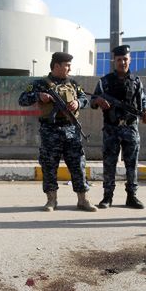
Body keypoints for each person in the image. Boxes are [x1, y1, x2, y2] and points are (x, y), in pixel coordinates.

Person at [18, 52, 97, 212]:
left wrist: (77, 102)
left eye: (69, 65)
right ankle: (51, 200)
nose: (69, 68)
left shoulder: (73, 83)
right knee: (49, 165)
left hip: (71, 129)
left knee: (78, 165)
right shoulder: (40, 83)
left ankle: (83, 199)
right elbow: (22, 99)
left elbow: (85, 100)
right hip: (50, 130)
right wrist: (38, 95)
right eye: (67, 65)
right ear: (56, 65)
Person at [91, 45, 146, 209]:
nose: (122, 62)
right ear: (114, 61)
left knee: (132, 164)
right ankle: (107, 197)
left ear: (129, 60)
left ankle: (132, 196)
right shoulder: (104, 81)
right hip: (111, 128)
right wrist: (98, 101)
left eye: (125, 59)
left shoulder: (136, 81)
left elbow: (143, 100)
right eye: (119, 59)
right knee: (109, 163)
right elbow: (92, 100)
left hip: (131, 127)